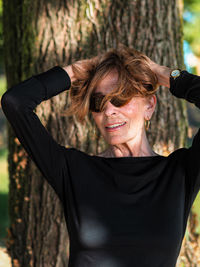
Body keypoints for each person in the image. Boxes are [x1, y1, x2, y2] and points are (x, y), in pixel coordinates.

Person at [1, 45, 200, 267]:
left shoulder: (180, 173)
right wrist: (77, 71)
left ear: (149, 106)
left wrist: (164, 73)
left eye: (121, 97)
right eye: (98, 102)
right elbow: (16, 102)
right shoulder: (73, 170)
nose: (108, 111)